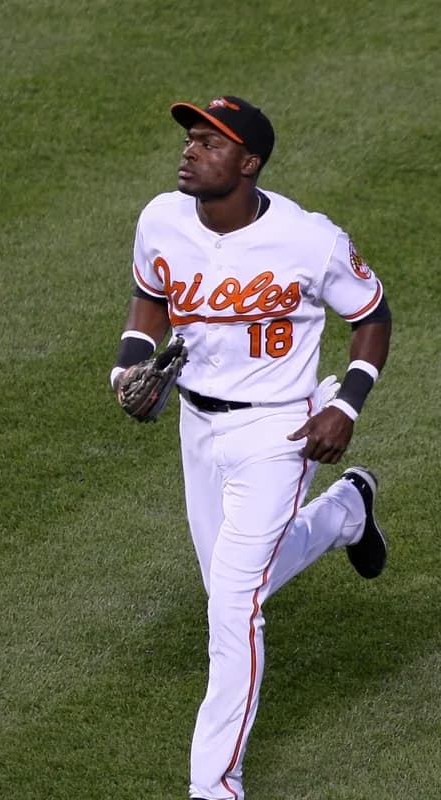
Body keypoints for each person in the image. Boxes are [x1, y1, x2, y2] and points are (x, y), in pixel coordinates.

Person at [110, 95, 392, 800]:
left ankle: (215, 786)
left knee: (234, 608)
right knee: (230, 584)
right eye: (191, 138)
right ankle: (346, 512)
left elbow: (371, 314)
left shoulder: (308, 239)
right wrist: (127, 365)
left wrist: (345, 406)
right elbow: (151, 297)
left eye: (211, 143)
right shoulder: (161, 219)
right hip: (197, 425)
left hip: (279, 431)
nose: (190, 151)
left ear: (249, 163)